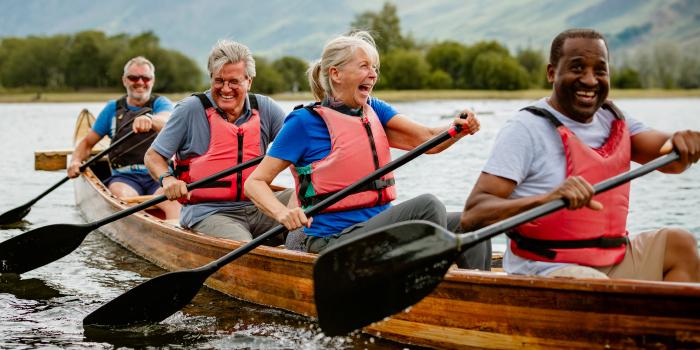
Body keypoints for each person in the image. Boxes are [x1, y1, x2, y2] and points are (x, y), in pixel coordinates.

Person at [460, 28, 700, 281]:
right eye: (577, 68)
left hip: (610, 260)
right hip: (546, 268)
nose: (590, 80)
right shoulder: (524, 128)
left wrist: (685, 141)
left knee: (679, 244)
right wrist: (547, 200)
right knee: (596, 284)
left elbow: (670, 161)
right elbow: (473, 216)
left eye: (600, 70)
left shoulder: (614, 118)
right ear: (552, 73)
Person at [244, 31, 491, 270]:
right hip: (332, 240)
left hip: (375, 229)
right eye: (364, 66)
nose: (372, 74)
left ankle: (478, 295)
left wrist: (457, 129)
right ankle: (421, 283)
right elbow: (255, 182)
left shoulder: (375, 110)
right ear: (336, 73)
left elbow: (427, 140)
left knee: (471, 222)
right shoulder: (303, 123)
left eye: (374, 68)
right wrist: (282, 214)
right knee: (429, 206)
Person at [145, 40, 294, 246]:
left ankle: (301, 251)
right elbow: (153, 157)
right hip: (209, 212)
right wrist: (168, 179)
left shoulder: (266, 108)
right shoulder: (189, 110)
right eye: (219, 81)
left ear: (248, 81)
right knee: (242, 244)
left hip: (259, 205)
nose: (225, 89)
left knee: (315, 201)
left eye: (233, 82)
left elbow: (299, 149)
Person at [68, 56, 180, 220]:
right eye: (133, 77)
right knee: (120, 195)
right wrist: (75, 161)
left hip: (160, 175)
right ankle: (140, 231)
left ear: (152, 81)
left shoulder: (161, 103)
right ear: (124, 80)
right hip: (124, 177)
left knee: (174, 198)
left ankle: (176, 233)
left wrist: (150, 119)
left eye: (145, 78)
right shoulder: (112, 109)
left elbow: (168, 121)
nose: (140, 82)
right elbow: (86, 143)